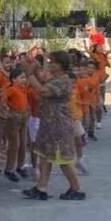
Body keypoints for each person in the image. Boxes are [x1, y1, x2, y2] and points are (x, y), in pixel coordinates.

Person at [22, 52, 86, 201]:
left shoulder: (63, 80)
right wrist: (35, 69)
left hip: (59, 124)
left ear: (60, 65)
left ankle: (75, 188)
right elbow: (42, 79)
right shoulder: (55, 78)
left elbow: (43, 90)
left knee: (62, 158)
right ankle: (41, 187)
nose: (50, 64)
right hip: (49, 123)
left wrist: (30, 74)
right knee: (46, 156)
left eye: (52, 62)